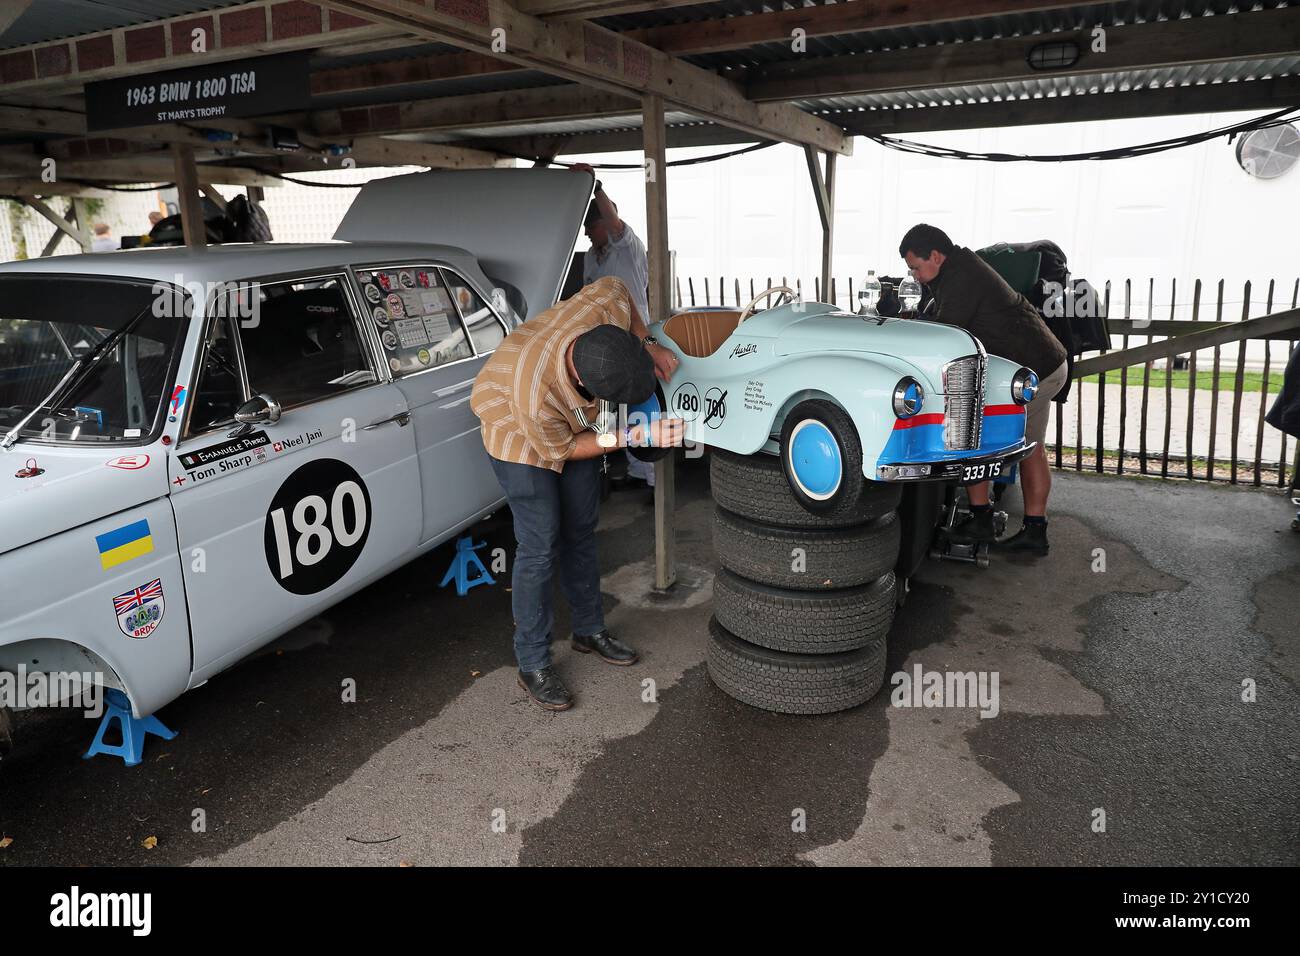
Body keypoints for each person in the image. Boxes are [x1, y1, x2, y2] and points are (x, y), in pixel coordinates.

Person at [470, 276, 683, 711]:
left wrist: (648, 344)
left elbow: (619, 287)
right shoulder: (535, 398)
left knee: (581, 528)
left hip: (577, 422)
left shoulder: (603, 310)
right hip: (518, 435)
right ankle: (532, 662)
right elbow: (563, 449)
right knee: (541, 543)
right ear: (588, 389)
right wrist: (632, 434)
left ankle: (589, 630)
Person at [899, 223, 1068, 556]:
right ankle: (1032, 530)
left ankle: (983, 519)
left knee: (974, 434)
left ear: (935, 255)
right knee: (1030, 447)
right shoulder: (956, 271)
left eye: (916, 267)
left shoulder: (963, 276)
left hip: (1035, 370)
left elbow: (948, 336)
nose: (915, 276)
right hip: (1041, 366)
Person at [570, 163, 658, 500]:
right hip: (604, 342)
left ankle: (653, 478)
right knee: (614, 409)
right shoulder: (592, 258)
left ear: (606, 224)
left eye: (592, 227)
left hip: (635, 339)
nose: (588, 234)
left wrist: (596, 186)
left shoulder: (627, 245)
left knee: (642, 403)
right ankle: (634, 471)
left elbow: (613, 219)